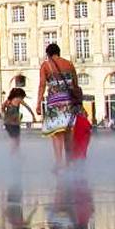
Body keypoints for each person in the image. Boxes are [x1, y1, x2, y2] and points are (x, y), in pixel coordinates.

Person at [37, 43, 79, 171]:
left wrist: (38, 103)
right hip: (68, 102)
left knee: (56, 134)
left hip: (54, 102)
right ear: (58, 52)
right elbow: (75, 85)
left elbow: (42, 85)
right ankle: (70, 162)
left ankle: (59, 163)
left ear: (48, 54)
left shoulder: (46, 65)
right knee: (68, 132)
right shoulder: (69, 64)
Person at [0, 88, 28, 154]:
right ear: (20, 95)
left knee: (13, 139)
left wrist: (5, 114)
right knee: (16, 140)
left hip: (7, 123)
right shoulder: (18, 100)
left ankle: (14, 154)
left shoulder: (8, 101)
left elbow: (2, 108)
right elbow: (27, 106)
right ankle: (14, 155)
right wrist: (33, 116)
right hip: (14, 123)